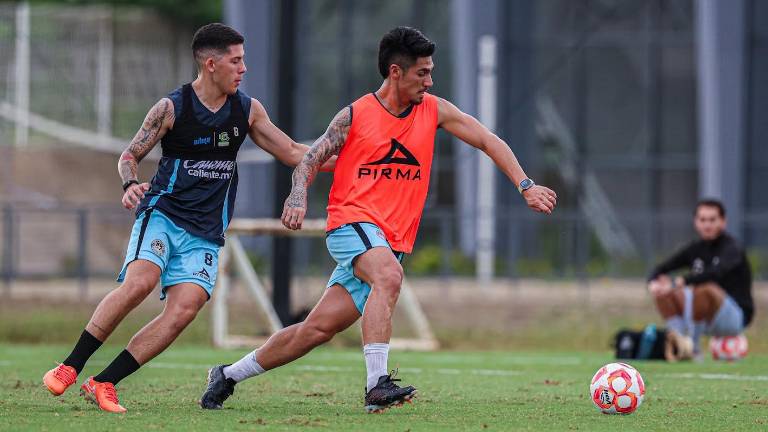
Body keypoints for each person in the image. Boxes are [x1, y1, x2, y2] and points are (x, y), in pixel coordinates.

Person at [200, 26, 557, 414]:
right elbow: (310, 158)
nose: (430, 81)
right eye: (423, 73)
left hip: (388, 240)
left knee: (316, 330)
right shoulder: (355, 115)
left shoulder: (435, 110)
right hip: (351, 224)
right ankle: (376, 385)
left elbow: (489, 140)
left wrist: (526, 185)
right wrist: (298, 196)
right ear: (395, 72)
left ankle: (228, 375)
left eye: (431, 72)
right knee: (388, 276)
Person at [42, 23, 332, 413]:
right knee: (139, 284)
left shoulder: (246, 110)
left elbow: (297, 152)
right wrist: (129, 184)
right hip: (163, 215)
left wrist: (356, 161)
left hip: (206, 232)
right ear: (211, 64)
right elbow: (130, 155)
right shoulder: (172, 107)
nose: (244, 69)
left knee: (184, 311)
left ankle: (104, 381)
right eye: (236, 61)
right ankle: (70, 366)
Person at [647, 199, 754, 356]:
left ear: (723, 222)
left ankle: (693, 347)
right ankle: (680, 345)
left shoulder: (732, 247)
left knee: (706, 288)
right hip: (700, 316)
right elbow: (660, 268)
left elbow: (715, 273)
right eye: (702, 220)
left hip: (734, 317)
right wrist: (653, 283)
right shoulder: (694, 249)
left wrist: (680, 281)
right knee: (663, 291)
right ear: (696, 222)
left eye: (712, 220)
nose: (707, 225)